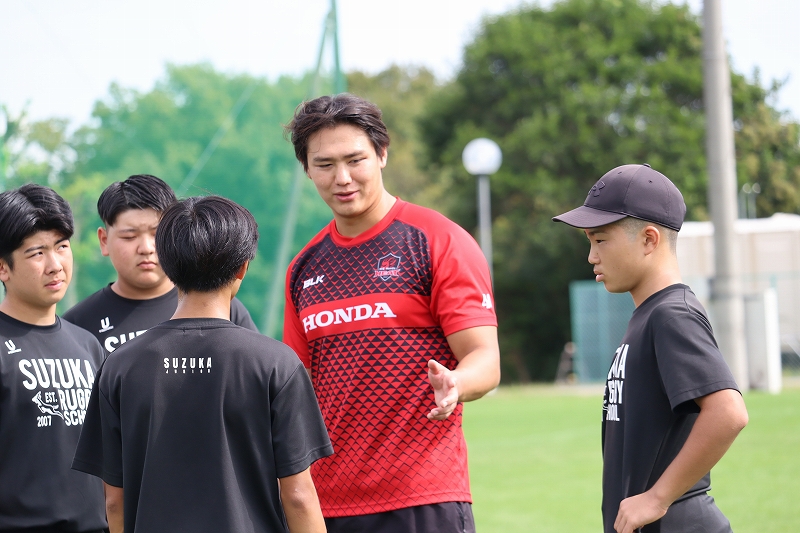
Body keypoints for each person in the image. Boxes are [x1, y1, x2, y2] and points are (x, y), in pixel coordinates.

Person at [282, 93, 501, 533]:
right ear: (307, 169)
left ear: (382, 154)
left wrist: (456, 383)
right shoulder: (304, 267)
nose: (342, 178)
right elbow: (297, 385)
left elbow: (485, 358)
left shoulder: (438, 240)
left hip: (423, 496)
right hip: (327, 505)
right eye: (324, 165)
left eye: (355, 160)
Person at [72, 195, 333, 533]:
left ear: (168, 264)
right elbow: (298, 496)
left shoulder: (119, 367)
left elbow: (114, 501)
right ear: (242, 267)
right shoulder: (277, 364)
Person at [552, 164, 749, 533]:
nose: (592, 256)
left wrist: (657, 497)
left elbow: (728, 412)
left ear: (648, 239)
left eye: (600, 240)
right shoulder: (647, 316)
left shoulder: (672, 315)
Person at [0, 184, 106, 532]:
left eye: (62, 246)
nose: (55, 265)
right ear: (3, 267)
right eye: (37, 253)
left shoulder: (88, 345)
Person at [63, 174, 257, 353]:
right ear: (104, 241)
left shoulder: (221, 306)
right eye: (129, 236)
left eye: (156, 234)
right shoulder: (78, 323)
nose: (146, 248)